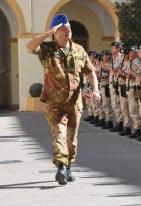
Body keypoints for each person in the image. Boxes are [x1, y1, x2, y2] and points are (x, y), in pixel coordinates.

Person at [26, 13, 100, 185]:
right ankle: (60, 166)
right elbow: (29, 47)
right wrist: (46, 34)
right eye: (63, 29)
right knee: (59, 133)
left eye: (69, 28)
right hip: (55, 103)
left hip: (75, 103)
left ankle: (68, 166)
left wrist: (96, 90)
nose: (68, 31)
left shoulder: (79, 50)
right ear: (55, 32)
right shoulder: (47, 49)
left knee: (71, 139)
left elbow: (90, 72)